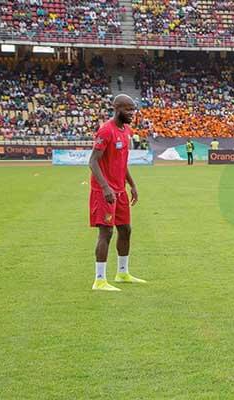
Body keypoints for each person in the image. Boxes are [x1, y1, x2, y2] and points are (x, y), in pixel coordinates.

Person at [88, 94, 145, 291]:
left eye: (133, 109)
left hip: (120, 190)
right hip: (104, 191)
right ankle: (100, 280)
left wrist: (132, 184)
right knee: (106, 232)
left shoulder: (126, 130)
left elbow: (122, 162)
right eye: (128, 109)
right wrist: (105, 187)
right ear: (117, 108)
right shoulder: (106, 131)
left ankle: (122, 273)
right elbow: (93, 161)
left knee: (126, 229)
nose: (132, 113)